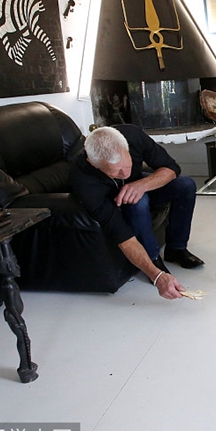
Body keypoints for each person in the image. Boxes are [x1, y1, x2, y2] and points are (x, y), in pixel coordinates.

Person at [70, 125, 203, 300]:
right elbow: (122, 235)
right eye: (116, 171)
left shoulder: (132, 135)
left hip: (140, 187)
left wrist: (142, 185)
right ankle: (153, 258)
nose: (125, 173)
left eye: (127, 165)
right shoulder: (83, 180)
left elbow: (171, 168)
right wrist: (156, 275)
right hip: (114, 204)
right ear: (94, 164)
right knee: (138, 202)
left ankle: (176, 249)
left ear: (126, 147)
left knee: (186, 185)